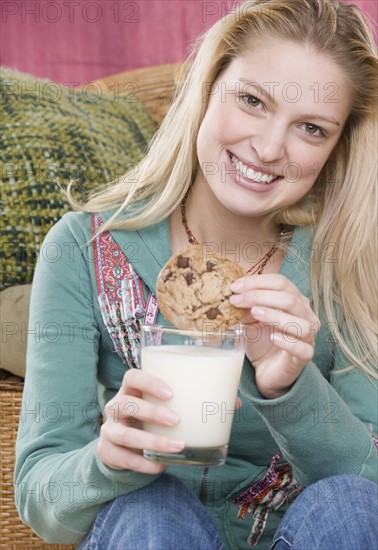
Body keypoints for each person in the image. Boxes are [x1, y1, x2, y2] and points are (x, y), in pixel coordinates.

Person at [15, 0, 377, 548]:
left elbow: (368, 494)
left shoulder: (348, 266)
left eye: (311, 128)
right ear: (207, 86)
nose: (269, 147)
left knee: (348, 503)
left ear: (337, 147)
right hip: (147, 533)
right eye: (252, 100)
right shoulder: (81, 247)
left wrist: (291, 389)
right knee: (150, 510)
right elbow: (42, 503)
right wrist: (107, 462)